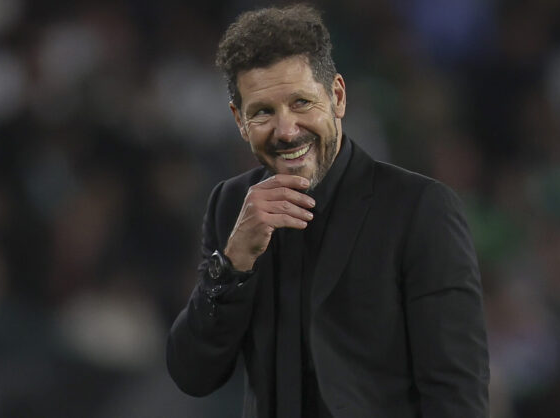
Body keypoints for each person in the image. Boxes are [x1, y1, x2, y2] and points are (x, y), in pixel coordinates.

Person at [166, 5, 489, 417]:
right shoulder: (232, 207)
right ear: (240, 121)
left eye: (301, 102)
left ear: (336, 96)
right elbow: (193, 373)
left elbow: (456, 393)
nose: (286, 130)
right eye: (263, 111)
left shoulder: (420, 209)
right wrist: (231, 264)